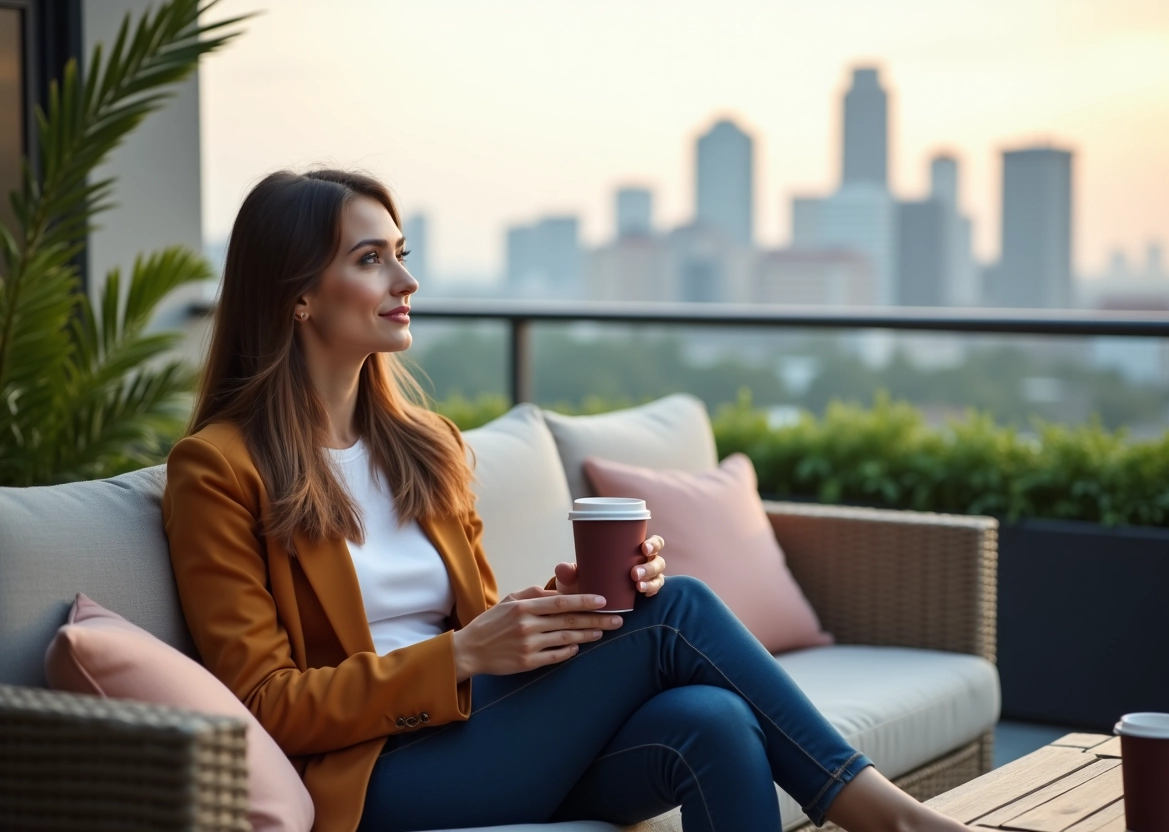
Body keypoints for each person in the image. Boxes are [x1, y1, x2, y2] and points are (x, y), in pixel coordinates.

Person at [163, 169, 974, 832]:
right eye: (371, 259)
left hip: (488, 732)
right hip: (376, 775)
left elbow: (478, 624)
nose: (407, 280)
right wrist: (464, 657)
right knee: (680, 609)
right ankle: (891, 820)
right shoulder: (219, 471)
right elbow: (265, 704)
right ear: (298, 296)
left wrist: (568, 605)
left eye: (401, 255)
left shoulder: (426, 445)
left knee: (713, 723)